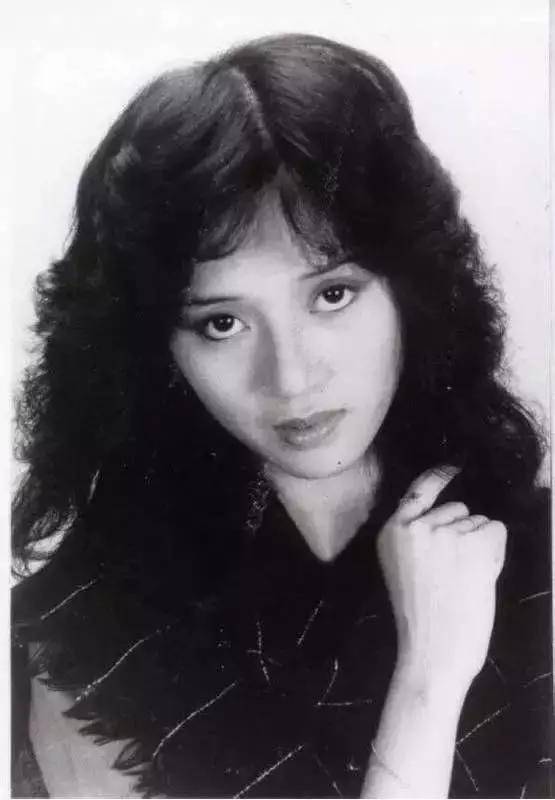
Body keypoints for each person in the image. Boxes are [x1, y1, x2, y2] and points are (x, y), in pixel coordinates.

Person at [11, 33, 551, 798]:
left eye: (331, 294)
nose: (290, 378)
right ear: (156, 346)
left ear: (410, 289)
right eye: (222, 323)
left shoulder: (530, 547)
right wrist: (429, 680)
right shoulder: (89, 634)